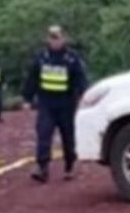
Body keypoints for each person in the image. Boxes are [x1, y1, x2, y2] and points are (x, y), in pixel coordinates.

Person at [22, 25, 88, 183]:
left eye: (57, 37)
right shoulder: (42, 57)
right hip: (46, 103)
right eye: (51, 38)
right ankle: (42, 167)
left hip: (66, 104)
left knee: (68, 136)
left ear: (64, 38)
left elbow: (80, 79)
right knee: (43, 134)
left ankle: (69, 164)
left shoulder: (72, 58)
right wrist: (27, 98)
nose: (54, 41)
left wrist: (83, 97)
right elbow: (32, 78)